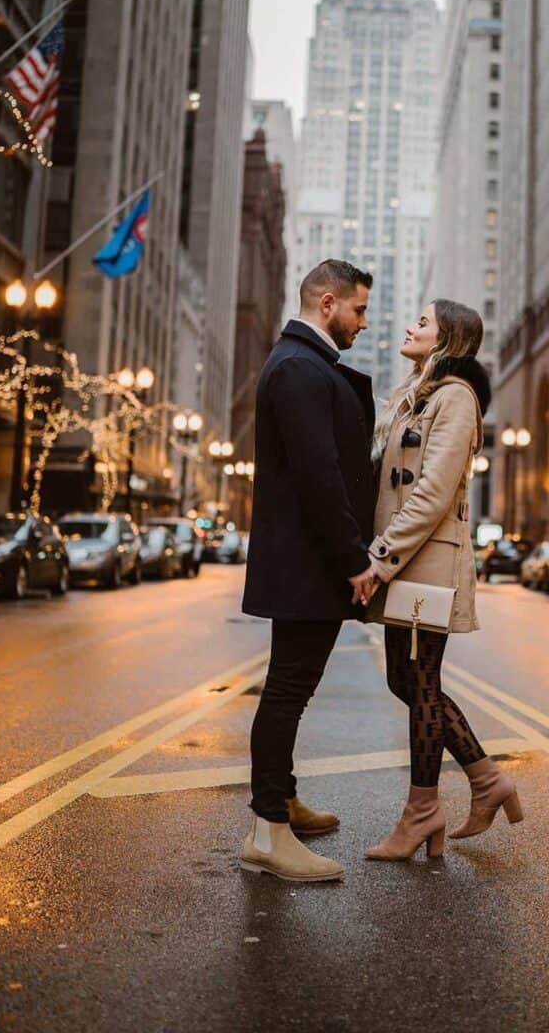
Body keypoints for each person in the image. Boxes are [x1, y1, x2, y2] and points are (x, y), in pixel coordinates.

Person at [364, 299, 523, 861]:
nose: (411, 326)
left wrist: (379, 558)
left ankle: (422, 812)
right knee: (406, 681)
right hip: (407, 561)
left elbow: (431, 493)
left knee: (420, 683)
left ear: (447, 340)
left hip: (426, 562)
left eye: (423, 322)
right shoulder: (420, 395)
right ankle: (484, 781)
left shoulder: (456, 398)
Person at [240, 259, 376, 883]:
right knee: (287, 690)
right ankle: (269, 831)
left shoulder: (305, 364)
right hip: (307, 562)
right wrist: (354, 560)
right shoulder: (298, 368)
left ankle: (282, 802)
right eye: (358, 310)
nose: (364, 323)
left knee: (290, 689)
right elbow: (320, 475)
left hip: (303, 560)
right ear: (327, 303)